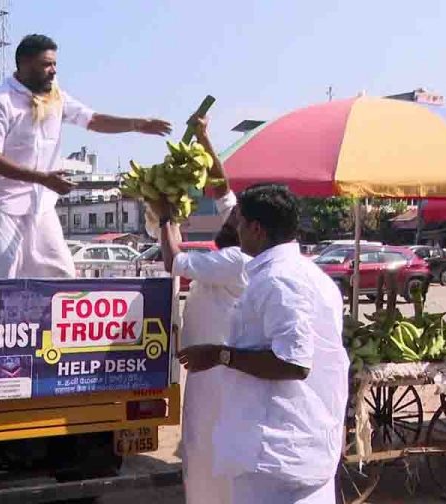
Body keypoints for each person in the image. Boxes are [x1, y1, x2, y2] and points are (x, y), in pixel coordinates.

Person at [177, 184, 349, 504]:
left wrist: (220, 355)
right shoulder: (309, 276)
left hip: (276, 453)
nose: (236, 230)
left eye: (240, 222)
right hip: (297, 447)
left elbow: (294, 362)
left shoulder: (279, 280)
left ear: (256, 229)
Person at [0, 33, 172, 279]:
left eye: (55, 64)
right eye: (46, 64)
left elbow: (92, 119)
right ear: (25, 64)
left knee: (63, 274)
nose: (53, 71)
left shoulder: (55, 95)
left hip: (42, 207)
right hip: (3, 208)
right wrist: (43, 178)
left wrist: (136, 124)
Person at [151, 114, 247, 504]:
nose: (229, 211)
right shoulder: (238, 239)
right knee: (202, 449)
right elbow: (223, 188)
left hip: (217, 374)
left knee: (206, 451)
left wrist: (165, 214)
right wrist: (206, 139)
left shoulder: (236, 259)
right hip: (212, 366)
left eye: (239, 214)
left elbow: (173, 261)